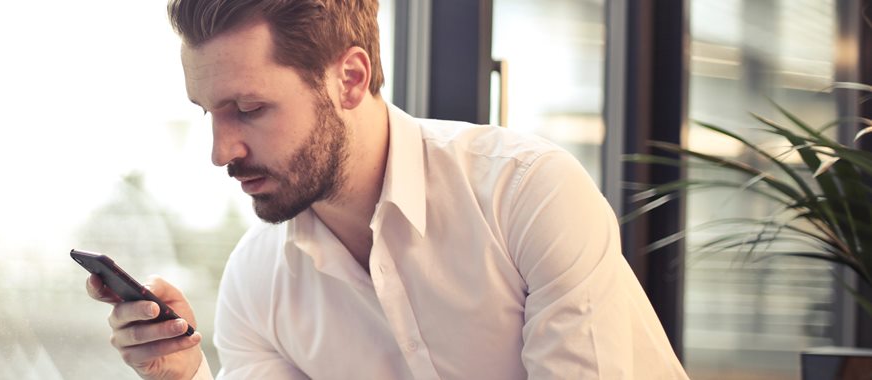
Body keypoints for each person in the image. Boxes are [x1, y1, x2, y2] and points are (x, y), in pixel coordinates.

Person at [85, 0, 689, 378]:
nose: (222, 151)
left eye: (250, 108)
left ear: (350, 78)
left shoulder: (527, 196)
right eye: (209, 112)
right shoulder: (257, 283)